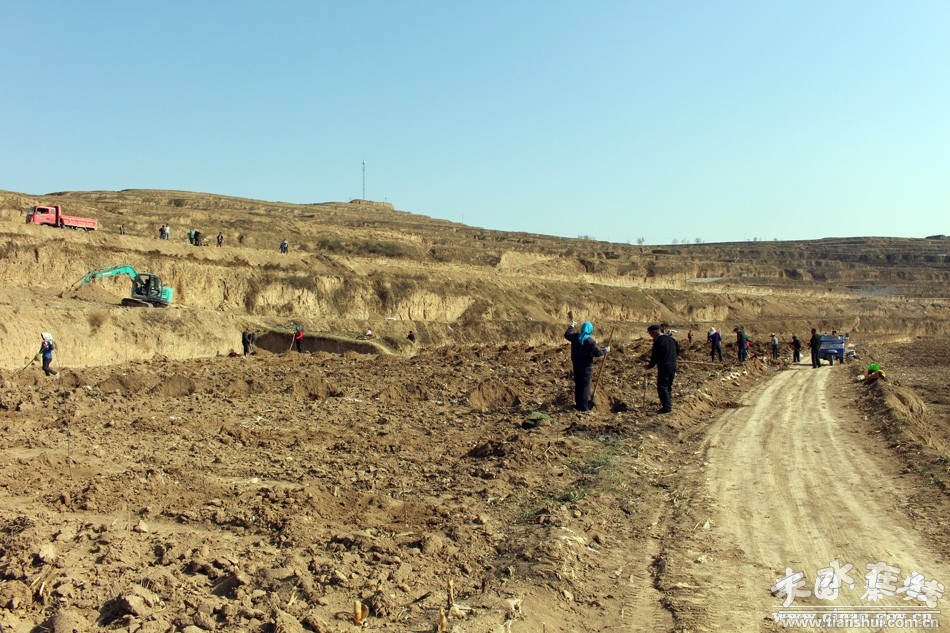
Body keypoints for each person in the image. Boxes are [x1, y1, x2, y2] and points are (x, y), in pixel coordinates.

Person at [564, 320, 610, 412]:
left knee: (578, 385)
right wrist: (605, 350)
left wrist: (571, 326)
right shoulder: (590, 342)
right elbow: (597, 353)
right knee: (585, 386)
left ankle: (578, 405)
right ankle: (584, 407)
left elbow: (567, 334)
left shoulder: (576, 337)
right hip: (586, 368)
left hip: (576, 365)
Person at [645, 324, 677, 414]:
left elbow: (655, 356)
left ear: (656, 331)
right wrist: (671, 357)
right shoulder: (671, 339)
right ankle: (669, 404)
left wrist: (649, 366)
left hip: (664, 366)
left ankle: (666, 408)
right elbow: (678, 350)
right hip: (673, 365)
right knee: (668, 386)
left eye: (650, 333)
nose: (650, 335)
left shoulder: (658, 340)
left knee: (662, 386)